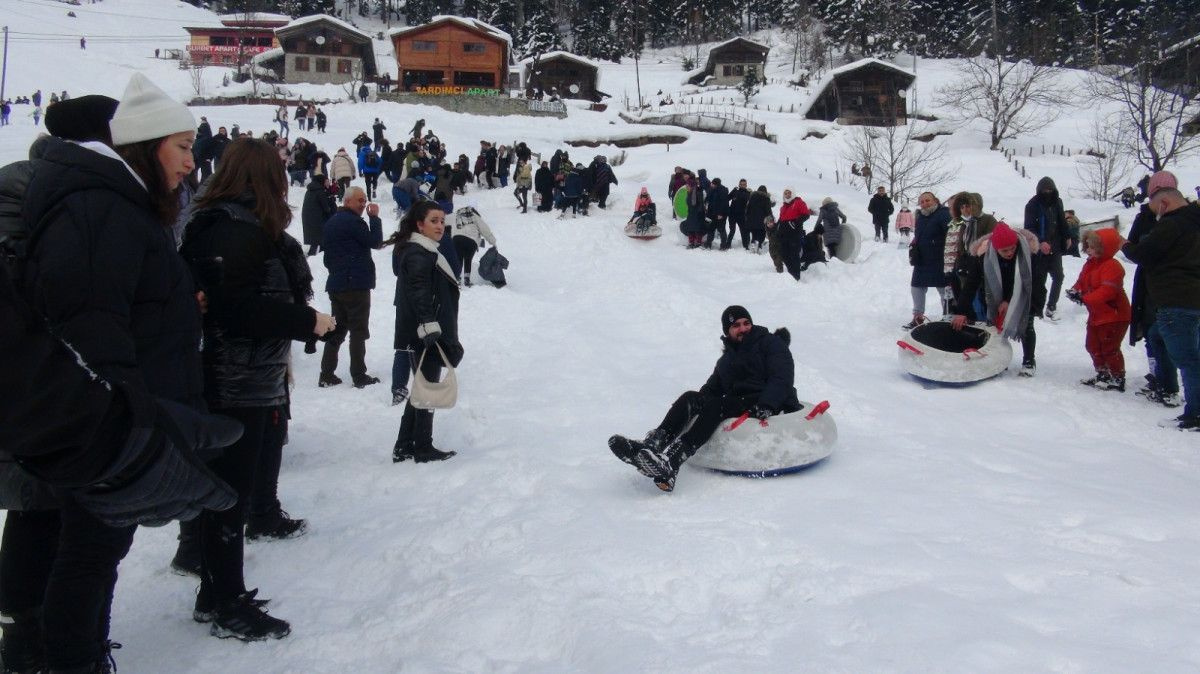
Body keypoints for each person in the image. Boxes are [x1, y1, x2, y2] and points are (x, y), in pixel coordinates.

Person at [17, 72, 239, 672]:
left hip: (119, 419)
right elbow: (91, 331)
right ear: (143, 145)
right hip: (107, 428)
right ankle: (75, 661)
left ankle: (82, 654)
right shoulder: (101, 209)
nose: (192, 165)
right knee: (87, 556)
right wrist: (132, 426)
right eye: (183, 147)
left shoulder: (118, 205)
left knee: (94, 553)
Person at [180, 137, 334, 642]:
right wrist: (305, 320)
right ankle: (226, 601)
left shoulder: (233, 225)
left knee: (229, 492)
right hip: (235, 381)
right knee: (229, 495)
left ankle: (216, 591)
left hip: (246, 377)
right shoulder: (233, 230)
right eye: (280, 172)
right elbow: (237, 309)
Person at [608, 306, 802, 492]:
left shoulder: (769, 343)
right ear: (728, 331)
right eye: (736, 326)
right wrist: (695, 405)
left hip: (768, 401)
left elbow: (782, 377)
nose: (743, 328)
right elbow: (711, 389)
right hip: (740, 401)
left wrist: (767, 404)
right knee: (691, 397)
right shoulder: (727, 360)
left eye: (746, 323)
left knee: (718, 405)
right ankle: (651, 447)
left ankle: (672, 461)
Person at [1119, 182, 1200, 430]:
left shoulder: (1172, 223)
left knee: (1188, 359)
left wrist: (1122, 243)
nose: (1157, 216)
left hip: (1176, 301)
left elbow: (1144, 253)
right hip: (1190, 299)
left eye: (1157, 211)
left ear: (1164, 204)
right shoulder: (1194, 220)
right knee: (1157, 337)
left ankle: (1195, 414)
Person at [389, 201, 464, 462]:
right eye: (434, 221)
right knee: (428, 388)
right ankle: (422, 446)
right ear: (419, 224)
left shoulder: (424, 250)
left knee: (423, 388)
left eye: (442, 221)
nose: (440, 226)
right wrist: (429, 326)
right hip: (426, 333)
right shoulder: (418, 253)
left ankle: (405, 444)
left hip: (425, 330)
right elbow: (419, 292)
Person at [950, 222, 1040, 376]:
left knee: (1026, 325)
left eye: (1012, 248)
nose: (1010, 252)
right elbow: (971, 284)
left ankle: (1029, 361)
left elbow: (1029, 280)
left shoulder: (1027, 251)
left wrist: (1009, 300)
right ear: (996, 248)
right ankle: (998, 359)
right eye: (1005, 250)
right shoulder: (983, 256)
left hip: (1025, 294)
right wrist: (961, 311)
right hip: (993, 296)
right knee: (994, 328)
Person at [320, 187, 384, 388]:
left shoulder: (331, 222)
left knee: (337, 329)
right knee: (358, 330)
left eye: (364, 200)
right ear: (347, 202)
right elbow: (375, 242)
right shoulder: (354, 222)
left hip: (337, 283)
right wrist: (374, 218)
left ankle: (326, 374)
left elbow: (327, 257)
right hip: (355, 284)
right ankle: (359, 375)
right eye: (359, 200)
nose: (363, 204)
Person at [1068, 229, 1131, 391]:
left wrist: (1085, 299)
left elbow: (1107, 291)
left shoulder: (1113, 266)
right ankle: (1103, 373)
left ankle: (1117, 377)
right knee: (1092, 345)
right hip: (1097, 314)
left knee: (1109, 347)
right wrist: (1076, 291)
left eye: (1092, 246)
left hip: (1114, 315)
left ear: (1104, 247)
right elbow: (1082, 281)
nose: (1088, 249)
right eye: (1087, 246)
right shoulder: (1091, 263)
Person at [1023, 177, 1072, 321]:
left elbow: (1062, 222)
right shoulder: (1032, 205)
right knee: (1039, 280)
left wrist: (1067, 236)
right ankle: (1037, 308)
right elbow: (1029, 228)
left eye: (1050, 190)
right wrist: (1040, 242)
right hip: (1039, 250)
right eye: (1045, 190)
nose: (1047, 192)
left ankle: (1051, 306)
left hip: (1055, 246)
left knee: (1058, 276)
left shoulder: (1057, 202)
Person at [905, 192, 950, 330]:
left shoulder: (943, 213)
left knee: (943, 289)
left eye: (927, 200)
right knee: (916, 287)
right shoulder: (920, 216)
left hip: (939, 258)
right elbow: (919, 234)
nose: (925, 203)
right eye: (922, 201)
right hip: (922, 259)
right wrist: (914, 244)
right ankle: (918, 316)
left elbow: (950, 234)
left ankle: (948, 317)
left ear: (935, 200)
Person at [452, 204, 497, 287]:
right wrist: (493, 242)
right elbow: (485, 229)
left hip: (456, 239)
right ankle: (467, 280)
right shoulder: (474, 216)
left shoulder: (456, 216)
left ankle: (457, 279)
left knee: (459, 259)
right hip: (471, 240)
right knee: (468, 258)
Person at [776, 189, 810, 280]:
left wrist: (795, 222)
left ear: (792, 194)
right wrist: (777, 230)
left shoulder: (798, 202)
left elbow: (806, 214)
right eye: (785, 193)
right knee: (784, 255)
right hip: (783, 235)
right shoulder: (783, 207)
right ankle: (791, 274)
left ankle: (796, 277)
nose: (787, 195)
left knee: (794, 255)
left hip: (794, 235)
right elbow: (781, 220)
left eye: (789, 193)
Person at [302, 174, 337, 256]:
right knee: (319, 238)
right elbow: (326, 208)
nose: (328, 183)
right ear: (322, 181)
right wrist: (331, 198)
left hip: (309, 217)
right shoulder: (320, 191)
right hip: (318, 218)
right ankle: (314, 255)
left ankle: (316, 254)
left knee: (316, 239)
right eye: (326, 181)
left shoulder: (310, 190)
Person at [744, 185, 773, 255]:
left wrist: (747, 217)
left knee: (754, 233)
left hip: (752, 219)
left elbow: (747, 208)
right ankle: (759, 246)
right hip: (762, 220)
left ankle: (753, 244)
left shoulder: (752, 197)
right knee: (762, 233)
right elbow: (768, 211)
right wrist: (770, 219)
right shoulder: (766, 198)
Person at [705, 178, 730, 249]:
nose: (711, 184)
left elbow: (724, 203)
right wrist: (706, 202)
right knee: (711, 229)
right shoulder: (712, 190)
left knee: (721, 230)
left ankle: (723, 246)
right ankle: (708, 244)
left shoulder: (723, 191)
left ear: (716, 184)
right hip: (712, 213)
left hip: (720, 215)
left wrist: (721, 214)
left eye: (712, 183)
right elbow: (709, 199)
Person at [727, 179, 751, 250]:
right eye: (741, 184)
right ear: (739, 184)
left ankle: (745, 245)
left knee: (743, 231)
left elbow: (750, 204)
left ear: (746, 185)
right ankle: (728, 244)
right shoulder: (735, 191)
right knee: (732, 230)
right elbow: (727, 198)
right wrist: (728, 209)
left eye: (744, 184)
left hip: (742, 215)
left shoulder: (748, 193)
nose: (743, 185)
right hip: (732, 214)